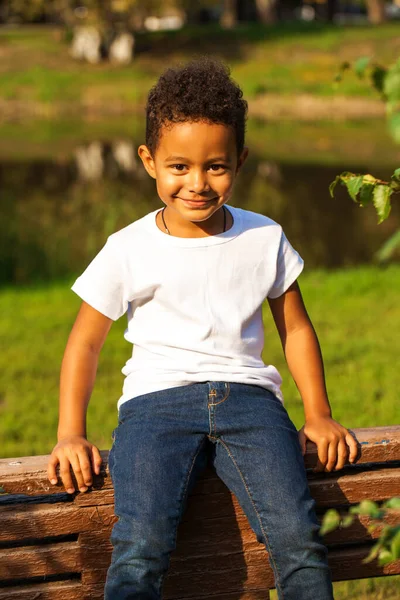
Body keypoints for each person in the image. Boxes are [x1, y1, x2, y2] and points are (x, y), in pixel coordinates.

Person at [47, 57, 358, 600]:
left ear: (240, 159)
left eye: (215, 166)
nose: (197, 184)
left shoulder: (265, 237)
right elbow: (85, 342)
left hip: (252, 406)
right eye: (179, 167)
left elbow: (297, 330)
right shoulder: (128, 247)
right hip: (155, 406)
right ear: (149, 161)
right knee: (141, 543)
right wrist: (70, 432)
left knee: (298, 538)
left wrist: (318, 414)